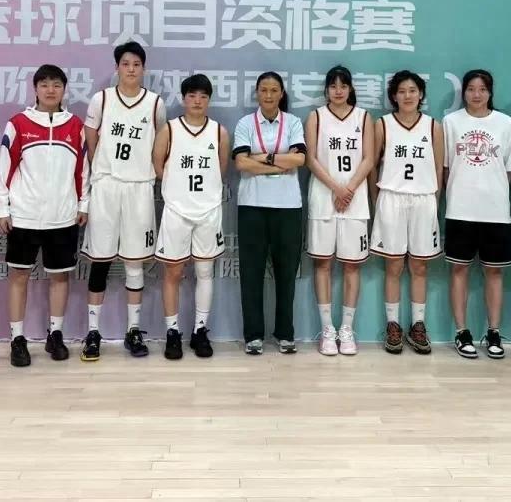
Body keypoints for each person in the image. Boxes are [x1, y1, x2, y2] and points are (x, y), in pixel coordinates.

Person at [0, 65, 89, 367]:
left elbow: (83, 170)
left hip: (63, 216)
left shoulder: (75, 126)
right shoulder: (19, 124)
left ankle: (55, 334)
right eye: (44, 84)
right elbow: (4, 168)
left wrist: (83, 204)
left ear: (64, 90)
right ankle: (17, 338)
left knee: (60, 276)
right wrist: (3, 208)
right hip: (23, 216)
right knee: (18, 276)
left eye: (56, 84)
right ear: (35, 88)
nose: (50, 90)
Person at [80, 42, 166, 361]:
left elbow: (160, 144)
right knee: (100, 260)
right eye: (126, 63)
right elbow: (91, 139)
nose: (131, 69)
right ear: (117, 67)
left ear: (144, 69)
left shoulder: (155, 103)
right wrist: (102, 170)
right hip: (107, 185)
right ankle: (93, 332)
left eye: (136, 64)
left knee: (134, 261)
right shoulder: (101, 99)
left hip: (139, 186)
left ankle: (133, 330)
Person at [443, 69, 511, 360]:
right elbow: (445, 167)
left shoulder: (505, 123)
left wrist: (492, 188)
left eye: (482, 89)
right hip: (459, 209)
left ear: (490, 92)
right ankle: (462, 332)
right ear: (463, 92)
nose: (476, 94)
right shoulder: (451, 122)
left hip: (495, 212)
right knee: (458, 269)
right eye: (471, 89)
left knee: (494, 272)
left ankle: (493, 332)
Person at [153, 74, 231, 360]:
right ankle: (172, 332)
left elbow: (221, 170)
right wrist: (177, 193)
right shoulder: (170, 130)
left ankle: (200, 331)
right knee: (173, 272)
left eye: (203, 96)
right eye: (192, 95)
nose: (197, 101)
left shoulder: (219, 132)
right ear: (183, 98)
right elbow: (158, 166)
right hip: (177, 210)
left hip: (208, 211)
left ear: (209, 100)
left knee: (204, 271)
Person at [371, 70, 444, 355]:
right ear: (394, 96)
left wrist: (434, 200)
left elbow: (438, 169)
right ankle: (392, 325)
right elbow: (373, 165)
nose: (407, 95)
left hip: (423, 199)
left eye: (412, 90)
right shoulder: (383, 124)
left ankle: (418, 325)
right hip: (392, 197)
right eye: (401, 91)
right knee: (393, 265)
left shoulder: (433, 126)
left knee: (420, 266)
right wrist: (377, 199)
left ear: (421, 94)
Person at [233, 72, 306, 356]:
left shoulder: (293, 122)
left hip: (288, 207)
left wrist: (263, 158)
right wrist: (280, 163)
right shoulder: (245, 124)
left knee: (286, 273)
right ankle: (253, 335)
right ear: (257, 93)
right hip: (252, 205)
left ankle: (285, 334)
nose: (268, 95)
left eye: (274, 90)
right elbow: (241, 163)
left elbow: (299, 159)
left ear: (281, 93)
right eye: (263, 90)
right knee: (251, 272)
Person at [305, 66, 375, 356]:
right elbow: (310, 158)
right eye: (333, 86)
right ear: (326, 90)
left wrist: (349, 189)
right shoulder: (316, 116)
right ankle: (327, 330)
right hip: (324, 198)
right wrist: (336, 188)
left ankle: (346, 328)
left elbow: (369, 158)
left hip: (354, 201)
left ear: (350, 89)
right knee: (322, 264)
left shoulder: (364, 117)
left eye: (343, 85)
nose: (338, 91)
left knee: (351, 265)